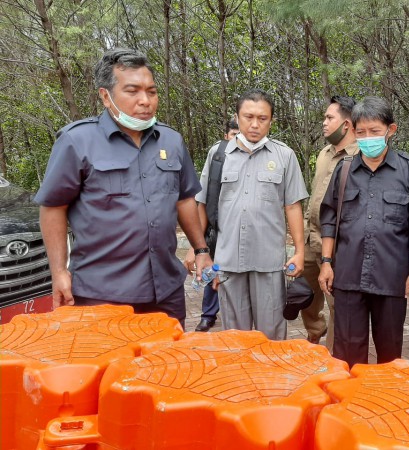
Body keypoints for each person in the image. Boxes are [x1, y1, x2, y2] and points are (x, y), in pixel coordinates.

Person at [34, 48, 210, 328]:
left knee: (166, 367)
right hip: (101, 295)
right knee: (108, 369)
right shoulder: (76, 141)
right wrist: (59, 271)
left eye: (151, 92)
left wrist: (201, 250)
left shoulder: (171, 141)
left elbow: (184, 199)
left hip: (165, 291)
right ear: (106, 96)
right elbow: (54, 206)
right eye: (133, 91)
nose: (145, 101)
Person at [318, 96, 409, 367]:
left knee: (390, 355)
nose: (368, 138)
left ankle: (385, 403)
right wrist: (326, 263)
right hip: (347, 277)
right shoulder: (344, 170)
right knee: (347, 355)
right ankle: (349, 406)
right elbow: (329, 219)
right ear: (353, 131)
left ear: (391, 130)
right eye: (362, 132)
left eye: (375, 131)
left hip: (391, 279)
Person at [194, 88, 308, 340]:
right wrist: (199, 250)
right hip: (228, 260)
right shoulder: (217, 155)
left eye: (262, 118)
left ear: (272, 120)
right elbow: (203, 203)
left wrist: (299, 252)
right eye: (248, 117)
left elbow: (292, 206)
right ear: (237, 116)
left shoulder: (284, 156)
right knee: (235, 335)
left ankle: (272, 379)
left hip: (269, 261)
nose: (255, 124)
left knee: (272, 336)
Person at [301, 96, 358, 349]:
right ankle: (315, 330)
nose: (324, 123)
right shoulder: (324, 153)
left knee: (337, 304)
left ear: (346, 124)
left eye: (329, 118)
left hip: (336, 246)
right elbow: (314, 196)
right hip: (310, 240)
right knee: (304, 295)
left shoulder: (358, 158)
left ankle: (334, 357)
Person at [190, 118, 239, 332]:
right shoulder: (216, 154)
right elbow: (201, 199)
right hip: (217, 229)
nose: (236, 140)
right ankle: (208, 314)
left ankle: (236, 318)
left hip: (241, 231)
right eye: (233, 135)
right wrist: (197, 244)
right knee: (214, 270)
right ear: (226, 135)